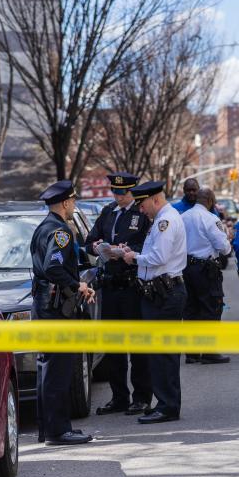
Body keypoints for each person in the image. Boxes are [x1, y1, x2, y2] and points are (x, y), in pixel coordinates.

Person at [30, 180, 95, 445]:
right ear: (66, 203)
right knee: (58, 371)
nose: (74, 206)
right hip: (56, 311)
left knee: (48, 369)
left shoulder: (41, 228)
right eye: (73, 202)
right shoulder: (60, 232)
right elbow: (53, 268)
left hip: (44, 306)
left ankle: (49, 429)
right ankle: (58, 432)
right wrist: (77, 284)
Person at [85, 172, 153, 417]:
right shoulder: (108, 212)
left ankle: (142, 397)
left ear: (132, 192)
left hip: (132, 285)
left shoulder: (141, 214)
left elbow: (149, 245)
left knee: (137, 345)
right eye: (114, 191)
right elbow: (89, 240)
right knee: (114, 346)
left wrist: (127, 250)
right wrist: (96, 246)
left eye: (122, 192)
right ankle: (119, 397)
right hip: (111, 285)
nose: (118, 196)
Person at [123, 181, 187, 424]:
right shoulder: (162, 219)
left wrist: (133, 257)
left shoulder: (165, 221)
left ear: (155, 200)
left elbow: (159, 257)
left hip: (165, 294)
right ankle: (164, 402)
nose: (141, 210)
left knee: (164, 353)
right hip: (159, 293)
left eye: (142, 204)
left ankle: (168, 405)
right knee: (159, 353)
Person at [182, 187, 232, 365]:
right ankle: (209, 351)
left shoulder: (183, 217)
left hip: (186, 268)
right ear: (210, 201)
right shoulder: (210, 218)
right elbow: (224, 247)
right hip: (206, 270)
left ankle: (192, 352)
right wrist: (227, 238)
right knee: (211, 307)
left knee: (191, 309)